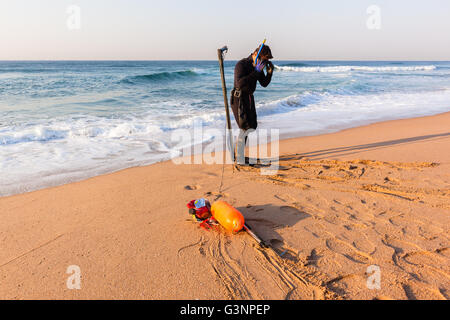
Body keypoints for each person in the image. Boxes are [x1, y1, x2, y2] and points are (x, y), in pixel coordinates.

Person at [230, 44, 274, 165]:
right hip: (238, 98)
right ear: (255, 54)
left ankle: (238, 155)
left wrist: (269, 73)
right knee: (244, 126)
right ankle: (239, 157)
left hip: (249, 97)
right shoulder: (242, 64)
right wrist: (255, 72)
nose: (264, 63)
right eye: (263, 59)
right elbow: (239, 84)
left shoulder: (258, 66)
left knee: (251, 126)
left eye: (266, 61)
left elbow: (264, 83)